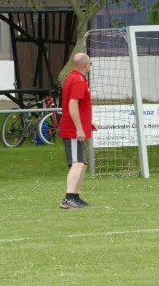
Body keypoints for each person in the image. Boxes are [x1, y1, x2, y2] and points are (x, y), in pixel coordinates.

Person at [58, 53, 98, 209]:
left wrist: (88, 123)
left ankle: (75, 196)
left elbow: (78, 107)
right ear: (85, 65)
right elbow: (72, 106)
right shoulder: (78, 80)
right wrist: (79, 129)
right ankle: (68, 198)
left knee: (82, 163)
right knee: (77, 163)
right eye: (90, 63)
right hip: (73, 130)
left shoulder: (72, 78)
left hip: (75, 127)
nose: (90, 66)